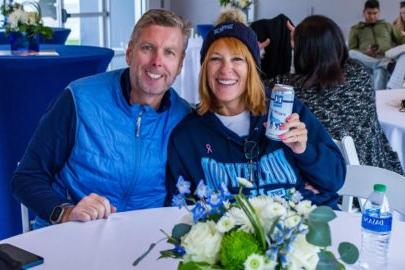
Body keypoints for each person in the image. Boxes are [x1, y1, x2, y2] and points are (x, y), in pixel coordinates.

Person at [11, 9, 192, 228]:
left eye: (169, 53)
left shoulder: (185, 119)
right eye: (147, 48)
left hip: (145, 243)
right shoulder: (80, 99)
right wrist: (66, 212)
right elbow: (26, 177)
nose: (157, 61)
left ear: (180, 65)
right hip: (71, 236)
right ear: (129, 53)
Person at [165, 12, 346, 209]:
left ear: (252, 68)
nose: (226, 69)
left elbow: (335, 179)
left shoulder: (285, 110)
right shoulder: (188, 135)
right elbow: (180, 209)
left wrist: (304, 151)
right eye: (216, 59)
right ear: (204, 68)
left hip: (303, 228)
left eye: (237, 59)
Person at [273, 15, 404, 175]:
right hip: (376, 178)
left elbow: (252, 86)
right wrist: (307, 38)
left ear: (302, 51)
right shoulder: (359, 74)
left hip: (326, 182)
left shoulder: (288, 89)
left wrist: (298, 40)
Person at [348, 0, 405, 89]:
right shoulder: (356, 29)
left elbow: (402, 39)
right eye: (369, 13)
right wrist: (366, 52)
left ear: (379, 13)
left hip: (386, 58)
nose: (372, 16)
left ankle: (379, 99)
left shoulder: (387, 26)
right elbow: (351, 49)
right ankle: (383, 64)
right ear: (364, 13)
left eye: (375, 13)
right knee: (351, 53)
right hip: (366, 61)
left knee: (379, 70)